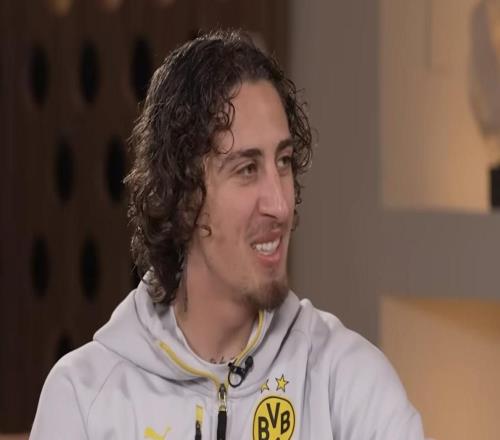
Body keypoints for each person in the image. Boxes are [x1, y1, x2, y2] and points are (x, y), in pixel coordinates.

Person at [30, 30, 425, 440]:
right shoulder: (85, 399)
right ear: (183, 196)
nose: (280, 204)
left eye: (284, 162)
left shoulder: (349, 384)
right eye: (247, 169)